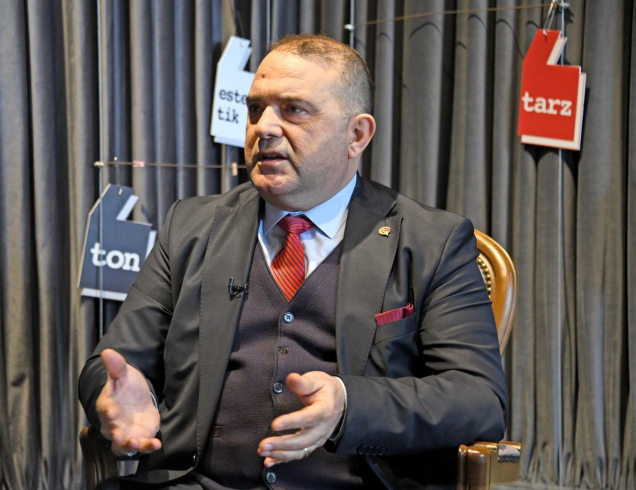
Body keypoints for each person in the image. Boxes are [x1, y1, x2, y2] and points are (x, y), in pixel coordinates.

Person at [79, 34, 507, 489]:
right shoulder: (191, 227)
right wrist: (116, 397)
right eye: (255, 109)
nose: (263, 128)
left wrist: (348, 404)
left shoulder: (431, 242)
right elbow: (113, 365)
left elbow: (478, 399)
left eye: (294, 110)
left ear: (356, 135)